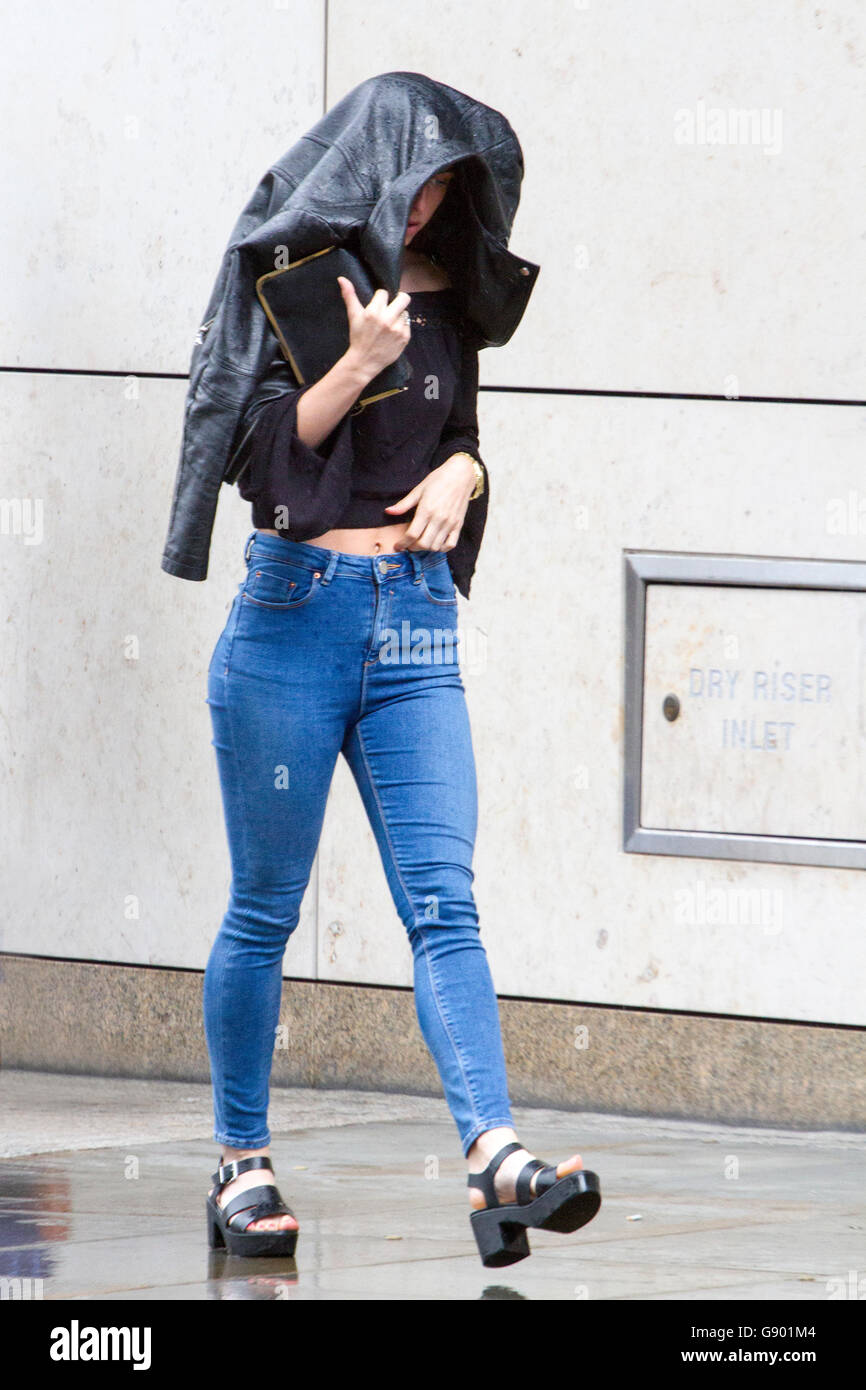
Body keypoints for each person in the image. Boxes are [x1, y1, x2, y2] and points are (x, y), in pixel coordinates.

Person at [203, 162, 601, 1268]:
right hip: (293, 617)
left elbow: (456, 434)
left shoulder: (451, 289)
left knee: (443, 899)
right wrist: (356, 361)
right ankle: (240, 1160)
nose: (424, 208)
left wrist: (466, 471)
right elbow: (262, 461)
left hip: (415, 625)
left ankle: (495, 1158)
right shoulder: (295, 270)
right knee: (265, 909)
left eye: (444, 190)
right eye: (414, 184)